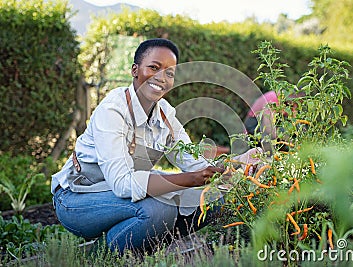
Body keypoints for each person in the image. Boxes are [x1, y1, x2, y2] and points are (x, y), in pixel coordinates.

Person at [51, 38, 257, 254]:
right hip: (77, 198)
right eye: (154, 67)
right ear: (135, 70)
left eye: (169, 73)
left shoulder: (165, 114)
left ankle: (139, 247)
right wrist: (189, 180)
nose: (162, 78)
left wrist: (238, 163)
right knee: (160, 209)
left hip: (118, 196)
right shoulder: (113, 110)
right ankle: (97, 256)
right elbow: (122, 183)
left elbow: (195, 163)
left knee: (213, 199)